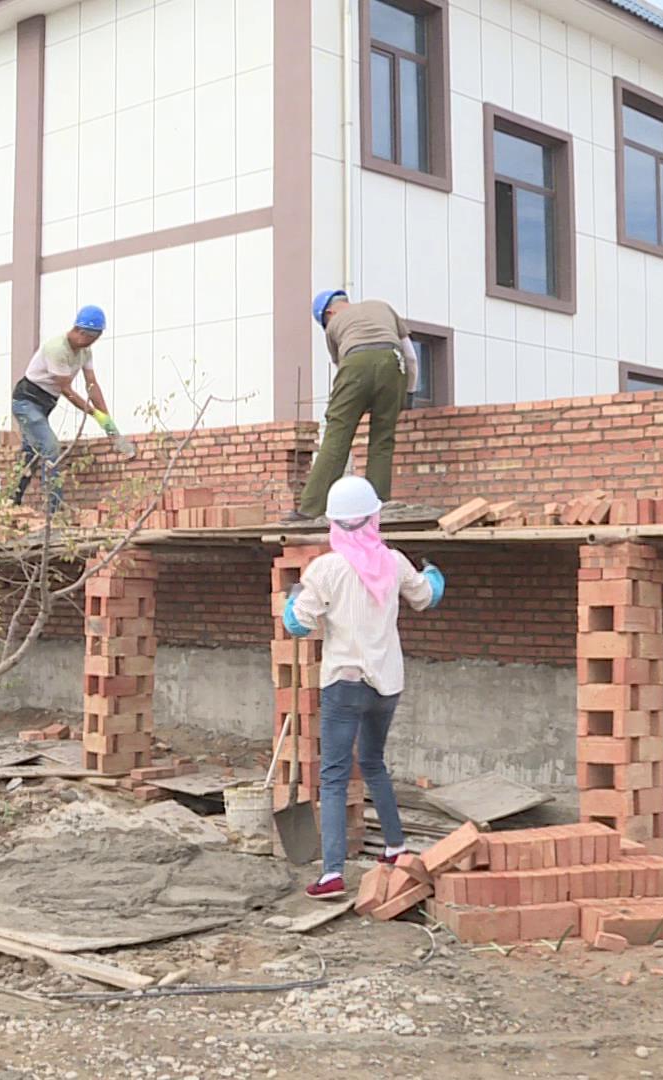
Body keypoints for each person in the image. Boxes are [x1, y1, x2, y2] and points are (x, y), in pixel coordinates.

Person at [281, 476, 446, 899]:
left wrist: (294, 597)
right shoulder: (393, 561)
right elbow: (426, 597)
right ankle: (395, 847)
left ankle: (332, 872)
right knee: (373, 762)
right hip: (386, 683)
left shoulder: (327, 569)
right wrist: (433, 574)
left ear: (334, 524)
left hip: (344, 683)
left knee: (335, 775)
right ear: (374, 518)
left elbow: (299, 623)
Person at [289, 291, 420, 522]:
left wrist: (355, 398)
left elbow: (344, 368)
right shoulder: (382, 305)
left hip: (355, 363)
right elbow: (410, 356)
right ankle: (377, 505)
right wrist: (408, 392)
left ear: (328, 313)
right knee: (382, 439)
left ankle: (310, 509)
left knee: (337, 436)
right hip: (393, 362)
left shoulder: (333, 327)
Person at [10, 304, 121, 509]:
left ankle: (11, 501)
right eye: (91, 337)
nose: (93, 342)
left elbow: (92, 384)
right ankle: (54, 511)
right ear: (79, 331)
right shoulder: (57, 349)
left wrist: (107, 420)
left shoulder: (85, 352)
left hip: (44, 405)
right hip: (26, 402)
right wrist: (95, 414)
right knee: (50, 446)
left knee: (31, 453)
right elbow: (67, 391)